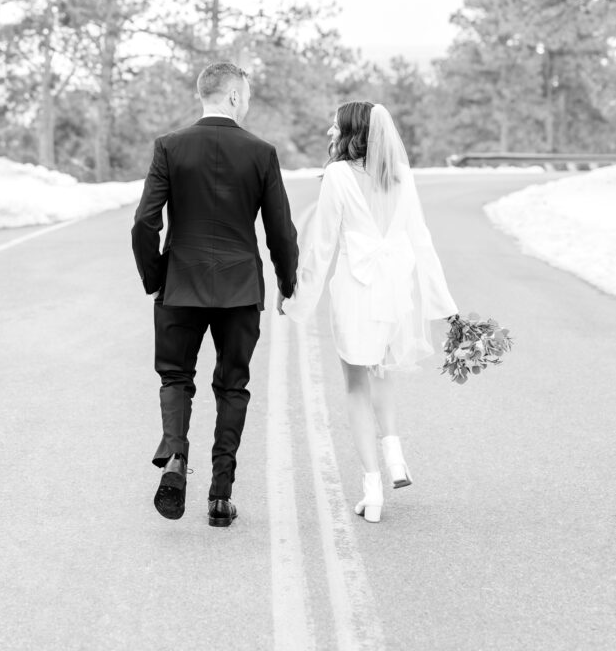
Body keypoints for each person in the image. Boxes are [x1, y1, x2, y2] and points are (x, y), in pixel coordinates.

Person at [132, 62, 298, 527]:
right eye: (244, 96)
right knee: (232, 386)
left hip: (180, 284)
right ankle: (221, 497)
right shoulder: (261, 153)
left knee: (175, 378)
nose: (246, 103)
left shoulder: (170, 147)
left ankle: (176, 461)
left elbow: (145, 221)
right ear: (230, 97)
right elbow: (280, 230)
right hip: (240, 288)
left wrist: (156, 277)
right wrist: (288, 282)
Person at [279, 101, 457, 523]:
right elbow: (422, 240)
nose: (329, 130)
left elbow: (322, 246)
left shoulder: (339, 175)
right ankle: (395, 455)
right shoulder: (400, 175)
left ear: (352, 131)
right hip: (394, 290)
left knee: (356, 384)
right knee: (382, 372)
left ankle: (372, 489)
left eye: (335, 124)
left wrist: (298, 301)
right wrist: (444, 306)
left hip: (357, 291)